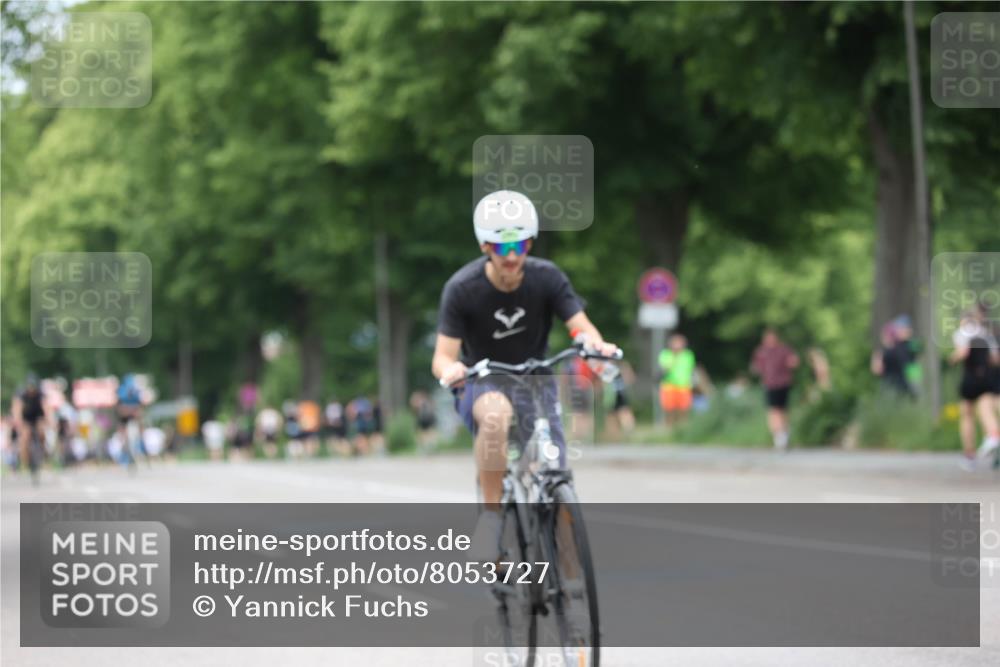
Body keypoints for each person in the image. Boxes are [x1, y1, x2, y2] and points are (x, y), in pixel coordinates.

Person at [432, 190, 618, 563]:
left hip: (536, 380)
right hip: (484, 381)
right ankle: (490, 520)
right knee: (497, 416)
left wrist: (597, 348)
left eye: (520, 245)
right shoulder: (462, 289)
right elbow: (442, 356)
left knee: (556, 473)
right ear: (486, 246)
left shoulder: (547, 277)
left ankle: (573, 593)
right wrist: (451, 370)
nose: (513, 256)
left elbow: (581, 327)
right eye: (502, 248)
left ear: (530, 242)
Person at [950, 310, 1000, 471]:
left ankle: (969, 454)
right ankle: (993, 434)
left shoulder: (962, 333)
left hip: (970, 377)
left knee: (967, 415)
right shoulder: (986, 334)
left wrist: (952, 360)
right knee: (985, 408)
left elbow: (963, 352)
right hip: (986, 377)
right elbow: (995, 359)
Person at [751, 328, 799, 450]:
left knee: (783, 410)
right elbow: (756, 367)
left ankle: (784, 433)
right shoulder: (762, 351)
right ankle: (778, 435)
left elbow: (793, 362)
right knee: (773, 410)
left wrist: (792, 362)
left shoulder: (783, 349)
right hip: (770, 384)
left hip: (783, 383)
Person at [11, 374, 50, 474]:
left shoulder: (40, 393)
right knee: (25, 436)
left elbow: (46, 408)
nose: (32, 390)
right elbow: (17, 408)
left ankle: (43, 452)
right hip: (26, 417)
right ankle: (25, 462)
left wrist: (49, 419)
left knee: (41, 432)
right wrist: (18, 422)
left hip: (37, 416)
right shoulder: (21, 393)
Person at [658, 334, 696, 426]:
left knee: (684, 409)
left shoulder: (688, 355)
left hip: (684, 385)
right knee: (669, 409)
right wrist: (675, 357)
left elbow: (691, 369)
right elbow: (665, 368)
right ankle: (669, 428)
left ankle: (682, 429)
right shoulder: (665, 354)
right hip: (669, 385)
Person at [870, 321, 915, 397]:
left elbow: (876, 370)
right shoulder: (902, 349)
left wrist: (876, 358)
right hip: (904, 385)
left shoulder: (884, 354)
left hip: (890, 387)